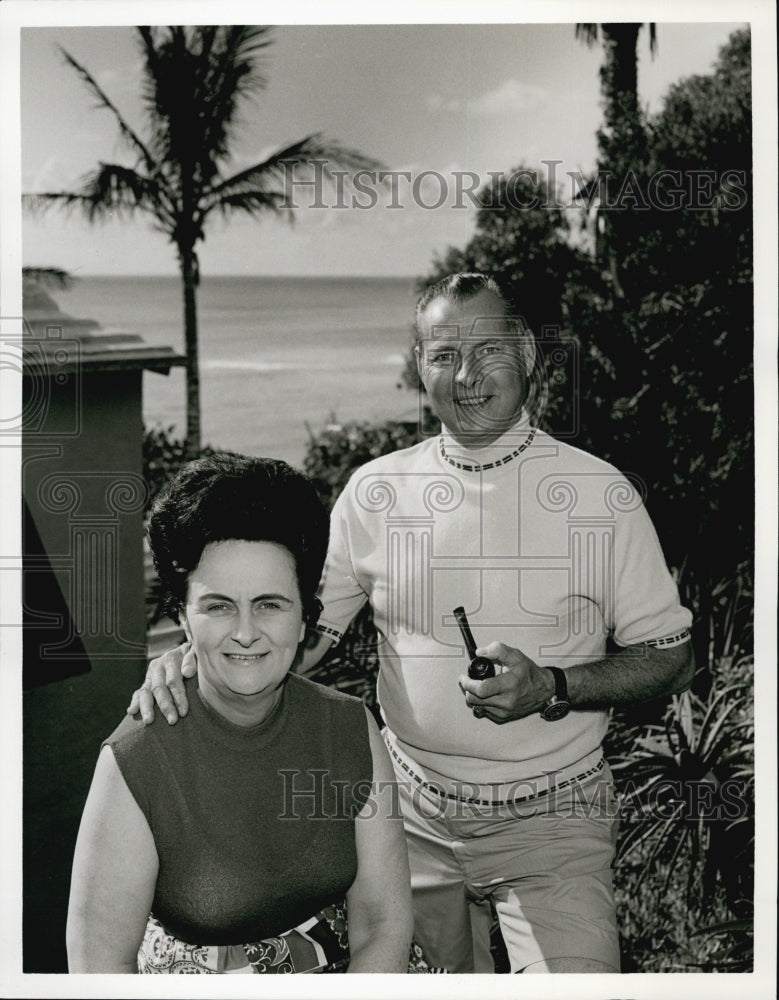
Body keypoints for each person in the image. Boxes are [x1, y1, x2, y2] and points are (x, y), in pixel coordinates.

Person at [130, 274, 693, 974]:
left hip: (553, 820)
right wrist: (193, 661)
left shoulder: (599, 495)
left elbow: (669, 656)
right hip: (407, 820)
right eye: (443, 354)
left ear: (527, 355)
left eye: (488, 349)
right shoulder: (374, 493)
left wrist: (552, 685)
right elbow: (300, 638)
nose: (467, 375)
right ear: (419, 367)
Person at [68, 453, 413, 974]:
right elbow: (98, 967)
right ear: (184, 618)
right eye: (218, 606)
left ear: (305, 617)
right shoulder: (136, 758)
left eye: (270, 604)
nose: (246, 632)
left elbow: (383, 922)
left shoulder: (350, 727)